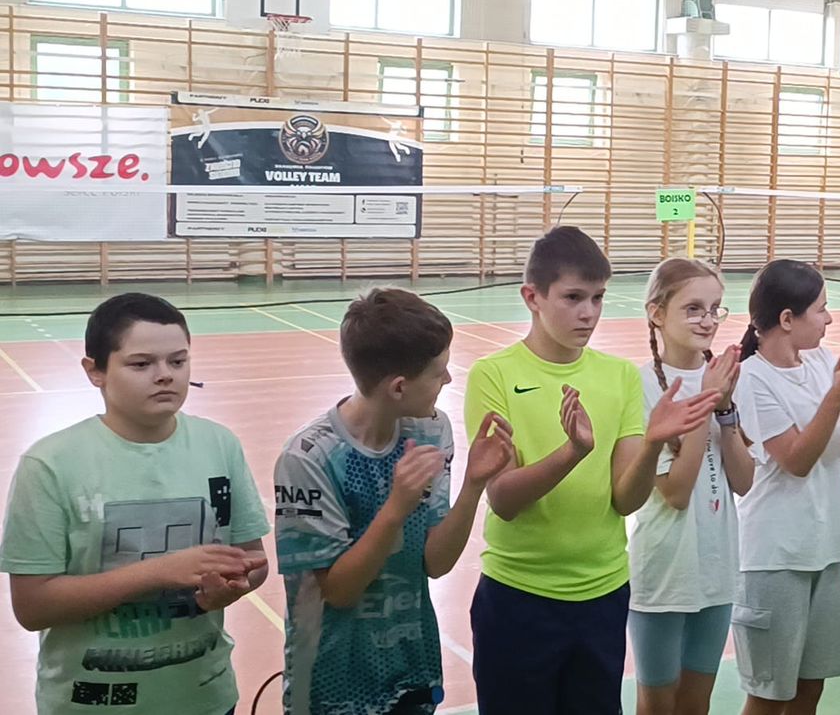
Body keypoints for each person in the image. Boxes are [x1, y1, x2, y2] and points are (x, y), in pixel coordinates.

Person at [464, 226, 720, 715]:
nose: (589, 312)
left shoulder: (618, 375)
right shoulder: (494, 374)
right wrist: (572, 452)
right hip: (519, 596)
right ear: (532, 297)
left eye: (598, 298)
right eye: (573, 297)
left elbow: (625, 499)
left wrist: (652, 445)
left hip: (602, 595)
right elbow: (503, 500)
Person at [0, 294, 269, 715]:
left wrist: (229, 588)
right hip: (91, 704)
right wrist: (158, 572)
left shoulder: (220, 445)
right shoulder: (50, 465)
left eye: (178, 361)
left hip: (205, 697)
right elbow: (33, 607)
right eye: (141, 364)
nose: (165, 376)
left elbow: (253, 561)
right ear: (95, 371)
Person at [275, 289, 518, 715]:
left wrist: (473, 484)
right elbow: (339, 591)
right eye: (439, 372)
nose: (448, 380)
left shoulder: (430, 431)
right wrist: (395, 508)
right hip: (332, 683)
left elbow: (435, 562)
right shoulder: (309, 458)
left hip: (411, 669)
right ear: (399, 387)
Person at [732, 260, 840, 714]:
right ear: (787, 319)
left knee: (810, 687)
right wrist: (835, 396)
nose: (829, 319)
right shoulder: (751, 378)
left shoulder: (821, 362)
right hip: (775, 557)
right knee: (768, 695)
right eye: (821, 309)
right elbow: (796, 459)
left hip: (825, 548)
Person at [628, 259, 754, 715]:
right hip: (665, 572)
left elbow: (744, 480)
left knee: (696, 703)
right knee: (658, 704)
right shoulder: (641, 385)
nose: (708, 320)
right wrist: (705, 400)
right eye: (694, 308)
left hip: (717, 567)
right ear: (657, 313)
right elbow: (676, 493)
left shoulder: (725, 378)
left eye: (715, 309)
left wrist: (725, 410)